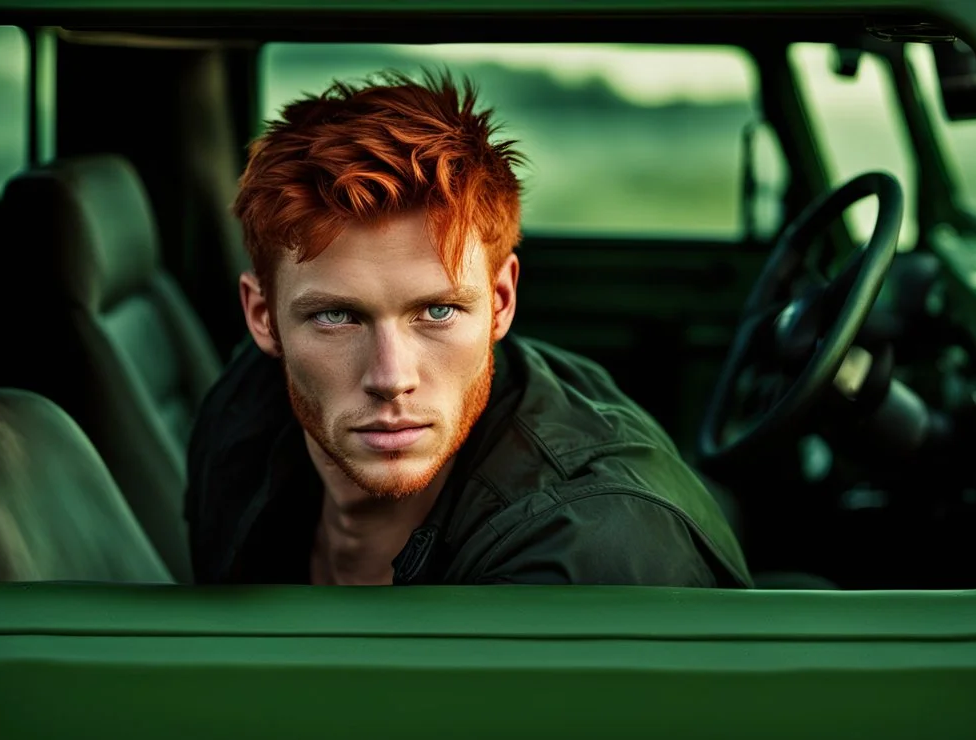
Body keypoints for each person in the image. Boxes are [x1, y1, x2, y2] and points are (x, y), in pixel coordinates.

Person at [184, 70, 752, 588]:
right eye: (337, 316)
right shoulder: (243, 415)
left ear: (501, 301)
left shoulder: (588, 553)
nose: (391, 377)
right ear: (263, 318)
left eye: (437, 312)